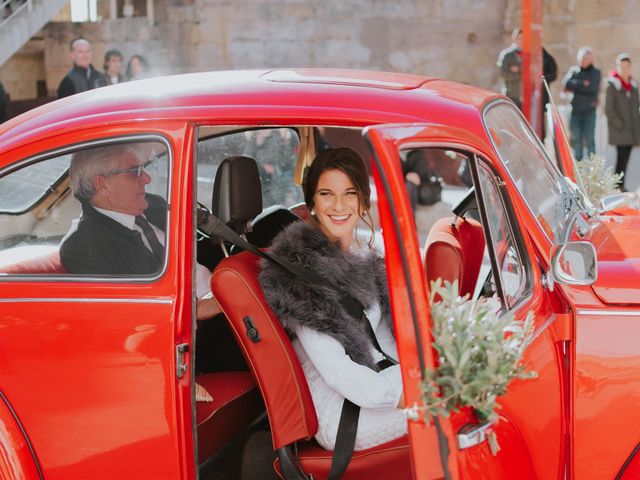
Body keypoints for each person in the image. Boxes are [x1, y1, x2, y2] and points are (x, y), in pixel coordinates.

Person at [259, 148, 406, 451]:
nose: (338, 205)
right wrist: (406, 391)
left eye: (349, 193)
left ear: (363, 201)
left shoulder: (365, 255)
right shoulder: (299, 272)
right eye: (326, 194)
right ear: (312, 203)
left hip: (372, 383)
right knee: (455, 409)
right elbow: (337, 371)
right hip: (340, 412)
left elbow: (384, 339)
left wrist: (420, 373)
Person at [60, 143, 219, 320]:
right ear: (102, 184)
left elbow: (204, 244)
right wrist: (196, 310)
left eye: (142, 168)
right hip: (197, 328)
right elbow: (122, 314)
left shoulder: (153, 205)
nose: (147, 178)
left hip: (219, 296)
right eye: (134, 171)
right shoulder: (83, 245)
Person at [605, 53, 640, 191]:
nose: (625, 69)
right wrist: (620, 125)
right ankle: (617, 185)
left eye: (627, 66)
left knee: (626, 159)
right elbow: (608, 108)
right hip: (620, 130)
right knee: (621, 158)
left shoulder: (633, 85)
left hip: (631, 130)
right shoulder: (612, 84)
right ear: (618, 66)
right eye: (622, 66)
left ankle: (621, 185)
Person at [562, 46, 602, 159]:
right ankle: (578, 168)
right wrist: (582, 83)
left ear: (591, 59)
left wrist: (576, 85)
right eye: (581, 58)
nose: (583, 61)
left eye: (586, 58)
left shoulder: (596, 72)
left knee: (590, 141)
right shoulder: (574, 70)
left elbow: (592, 88)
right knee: (576, 140)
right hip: (575, 111)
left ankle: (593, 170)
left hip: (589, 111)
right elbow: (566, 84)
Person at [497, 28, 523, 109]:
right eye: (519, 38)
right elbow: (503, 73)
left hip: (526, 97)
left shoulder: (529, 54)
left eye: (524, 39)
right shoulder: (507, 54)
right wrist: (521, 75)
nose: (521, 41)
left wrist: (518, 70)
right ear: (514, 38)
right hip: (511, 95)